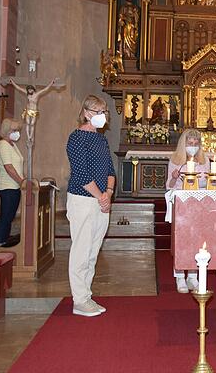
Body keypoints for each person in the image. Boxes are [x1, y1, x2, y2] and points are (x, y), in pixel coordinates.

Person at [66, 95, 116, 317]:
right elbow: (81, 174)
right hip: (83, 200)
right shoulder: (77, 138)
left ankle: (86, 295)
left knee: (93, 251)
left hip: (101, 199)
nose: (102, 116)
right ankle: (79, 299)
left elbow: (110, 170)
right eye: (98, 112)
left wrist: (109, 193)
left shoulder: (101, 139)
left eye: (104, 112)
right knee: (81, 250)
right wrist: (101, 196)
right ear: (86, 113)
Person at [167, 129, 210, 293]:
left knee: (196, 240)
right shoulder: (176, 160)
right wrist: (174, 176)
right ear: (183, 144)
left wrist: (206, 180)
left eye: (195, 144)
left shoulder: (203, 161)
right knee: (181, 241)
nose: (193, 146)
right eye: (189, 144)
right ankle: (179, 276)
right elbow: (169, 186)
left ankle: (193, 276)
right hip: (181, 204)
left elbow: (207, 182)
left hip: (198, 204)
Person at [0, 118, 24, 247]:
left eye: (17, 130)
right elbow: (8, 167)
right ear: (6, 130)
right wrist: (21, 181)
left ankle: (4, 238)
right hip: (7, 187)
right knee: (6, 216)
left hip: (14, 186)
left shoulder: (12, 144)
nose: (16, 132)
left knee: (9, 215)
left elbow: (17, 165)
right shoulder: (3, 145)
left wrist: (23, 180)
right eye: (14, 130)